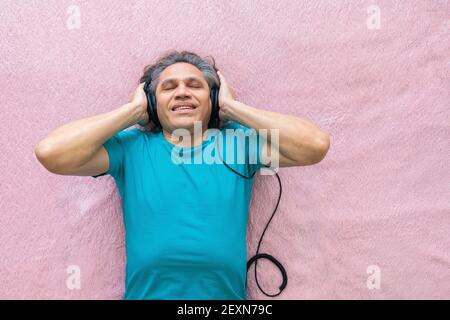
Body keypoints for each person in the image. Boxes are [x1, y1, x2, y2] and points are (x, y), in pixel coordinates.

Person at [34, 50, 330, 300]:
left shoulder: (239, 145)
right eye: (168, 87)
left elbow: (314, 146)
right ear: (152, 103)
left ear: (212, 97)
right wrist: (132, 111)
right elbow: (51, 152)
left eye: (194, 85)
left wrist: (232, 108)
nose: (182, 92)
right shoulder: (131, 148)